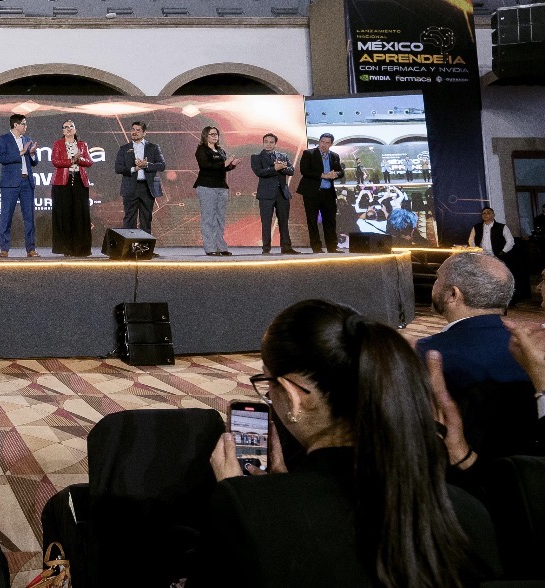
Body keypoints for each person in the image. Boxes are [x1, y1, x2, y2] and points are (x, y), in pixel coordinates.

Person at [194, 299, 500, 587]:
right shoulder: (466, 512)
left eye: (267, 383)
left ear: (292, 395)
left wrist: (245, 501)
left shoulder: (245, 509)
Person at [416, 252, 528, 399]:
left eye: (438, 279)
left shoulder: (423, 353)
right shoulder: (532, 349)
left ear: (453, 294)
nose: (434, 284)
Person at [0, 114, 40, 258]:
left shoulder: (27, 139)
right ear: (16, 125)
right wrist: (21, 152)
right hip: (10, 183)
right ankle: (4, 248)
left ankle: (31, 249)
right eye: (23, 124)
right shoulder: (3, 139)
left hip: (27, 182)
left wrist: (31, 154)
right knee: (6, 216)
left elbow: (34, 162)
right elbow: (3, 158)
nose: (25, 126)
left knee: (29, 217)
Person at [192, 126, 239, 256]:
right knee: (208, 218)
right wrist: (225, 163)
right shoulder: (202, 150)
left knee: (220, 218)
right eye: (212, 134)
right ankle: (210, 248)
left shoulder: (220, 150)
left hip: (221, 187)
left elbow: (223, 168)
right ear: (205, 136)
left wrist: (232, 165)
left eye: (216, 134)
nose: (215, 136)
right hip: (207, 186)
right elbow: (206, 166)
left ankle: (221, 247)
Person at [113, 121, 166, 235]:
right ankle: (129, 244)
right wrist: (134, 169)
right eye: (133, 129)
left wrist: (146, 165)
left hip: (147, 187)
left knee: (146, 219)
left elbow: (162, 165)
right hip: (130, 187)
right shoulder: (124, 148)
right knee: (129, 219)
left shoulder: (153, 147)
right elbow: (118, 168)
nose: (134, 132)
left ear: (144, 133)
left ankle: (144, 245)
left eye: (138, 130)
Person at [50, 120, 93, 257]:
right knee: (64, 215)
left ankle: (80, 249)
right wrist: (71, 161)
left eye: (71, 127)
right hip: (62, 183)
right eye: (65, 127)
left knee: (80, 215)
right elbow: (55, 161)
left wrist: (79, 160)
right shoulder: (58, 144)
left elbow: (89, 162)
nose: (68, 129)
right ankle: (66, 249)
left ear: (75, 130)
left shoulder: (82, 145)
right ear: (63, 131)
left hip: (79, 181)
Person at [294, 132, 343, 253]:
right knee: (312, 220)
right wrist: (323, 175)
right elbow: (304, 170)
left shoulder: (334, 156)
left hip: (328, 193)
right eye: (322, 142)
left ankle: (332, 247)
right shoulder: (309, 153)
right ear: (319, 142)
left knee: (330, 220)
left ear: (331, 144)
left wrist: (335, 174)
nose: (324, 145)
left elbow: (341, 172)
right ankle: (316, 247)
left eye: (327, 143)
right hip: (312, 192)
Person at [251, 134, 299, 255]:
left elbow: (291, 171)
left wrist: (281, 168)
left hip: (282, 193)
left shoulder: (283, 156)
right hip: (266, 194)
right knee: (266, 222)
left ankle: (286, 247)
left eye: (271, 142)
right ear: (263, 142)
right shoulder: (256, 157)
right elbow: (259, 172)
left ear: (275, 144)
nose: (268, 144)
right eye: (266, 141)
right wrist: (275, 168)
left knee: (284, 221)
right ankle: (266, 249)